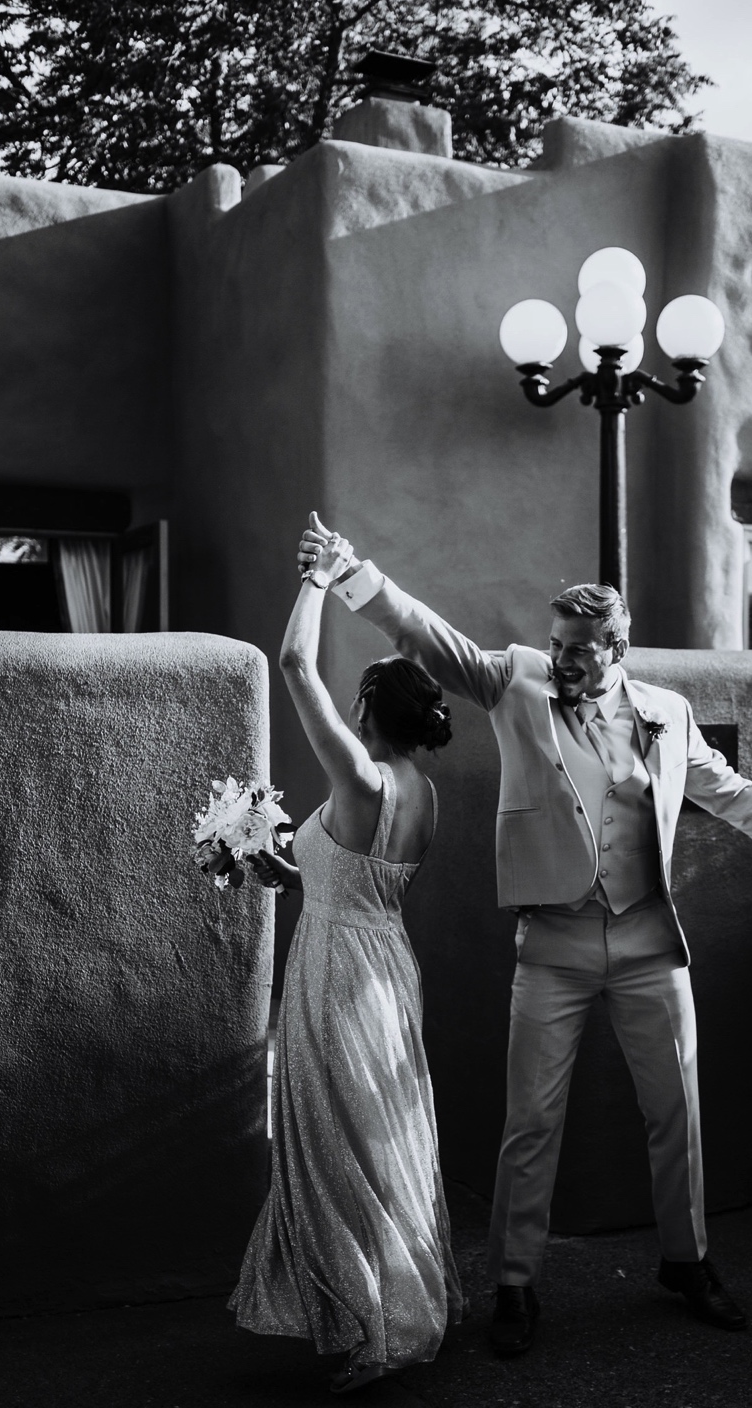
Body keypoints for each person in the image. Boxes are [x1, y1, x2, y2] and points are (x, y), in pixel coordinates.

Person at [295, 515, 752, 1355]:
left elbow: (735, 795)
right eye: (558, 640)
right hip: (552, 948)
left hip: (647, 946)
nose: (564, 656)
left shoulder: (667, 714)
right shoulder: (516, 682)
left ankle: (688, 1260)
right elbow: (427, 635)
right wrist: (349, 572)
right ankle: (516, 1286)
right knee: (531, 1121)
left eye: (582, 646)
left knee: (677, 1112)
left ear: (618, 644)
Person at [230, 532, 463, 1393]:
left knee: (341, 1144)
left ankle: (384, 1325)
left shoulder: (361, 778)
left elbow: (294, 665)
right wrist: (279, 866)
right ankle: (395, 1302)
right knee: (381, 1134)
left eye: (361, 699)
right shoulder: (423, 795)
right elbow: (357, 883)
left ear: (369, 711)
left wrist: (319, 580)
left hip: (337, 973)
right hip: (385, 966)